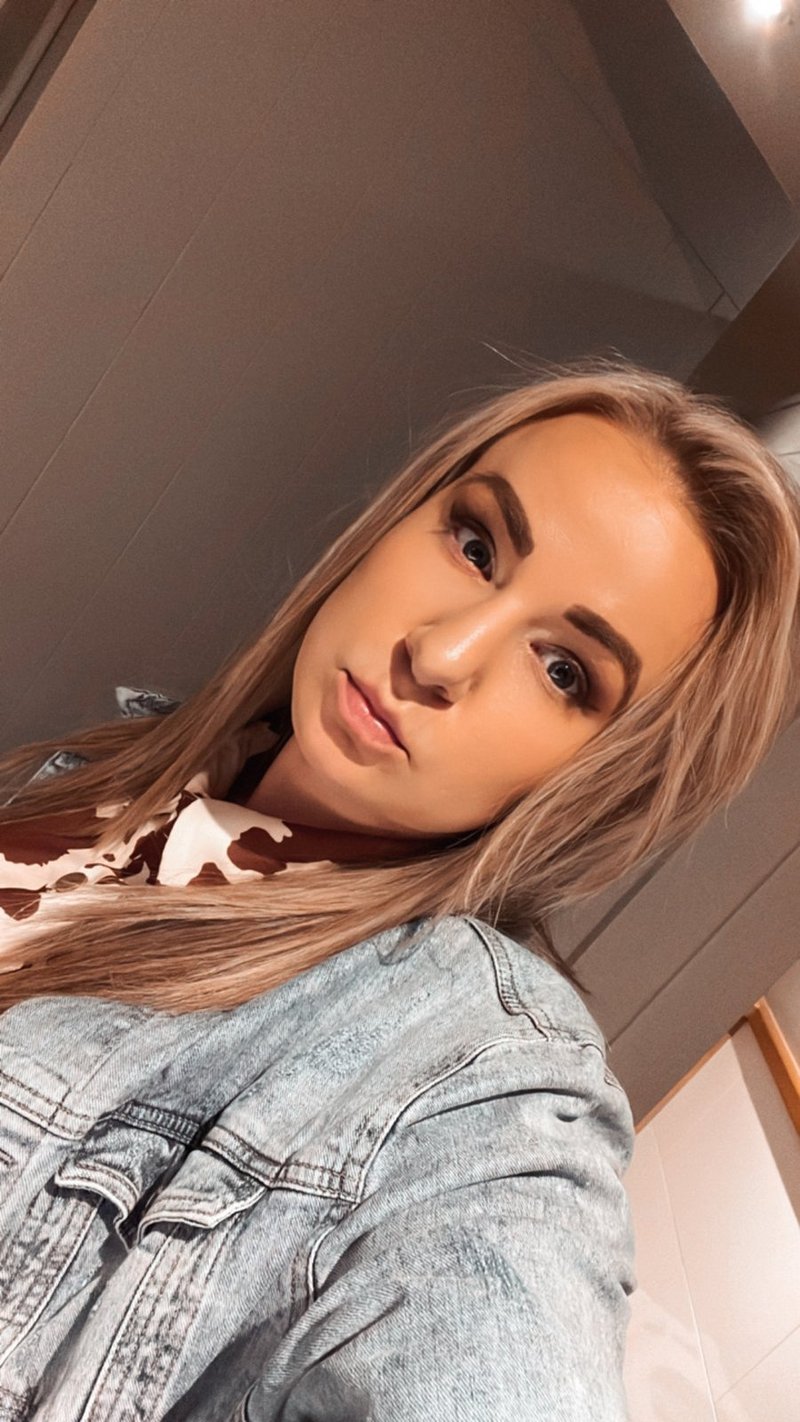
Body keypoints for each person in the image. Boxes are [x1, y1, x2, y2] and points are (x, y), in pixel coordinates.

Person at [0, 360, 797, 1419]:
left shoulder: (474, 1084)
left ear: (601, 780)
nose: (441, 653)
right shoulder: (124, 776)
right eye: (476, 545)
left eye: (563, 671)